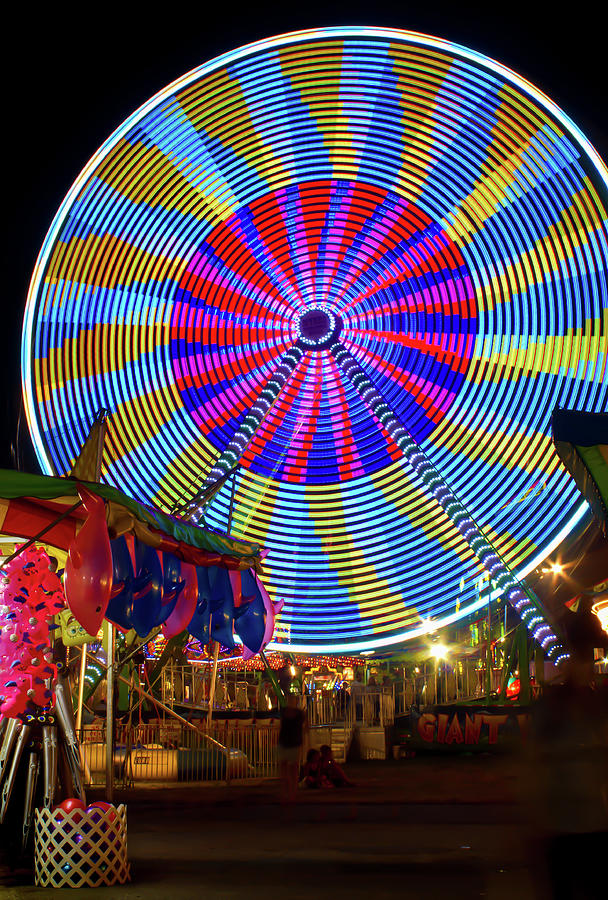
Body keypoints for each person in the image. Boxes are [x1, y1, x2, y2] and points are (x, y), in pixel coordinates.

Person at [278, 693, 306, 801]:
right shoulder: (285, 712)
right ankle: (286, 793)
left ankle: (291, 793)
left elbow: (304, 727)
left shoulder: (298, 713)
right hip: (285, 741)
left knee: (292, 769)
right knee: (285, 768)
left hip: (293, 742)